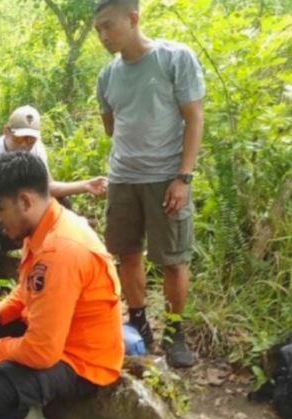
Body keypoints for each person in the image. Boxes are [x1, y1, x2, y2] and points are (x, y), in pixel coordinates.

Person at [0, 151, 124, 419]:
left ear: (25, 201)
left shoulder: (61, 251)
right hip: (54, 334)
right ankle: (11, 394)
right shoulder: (41, 226)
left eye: (0, 210)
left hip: (81, 360)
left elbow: (42, 351)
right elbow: (26, 290)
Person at [94, 0, 205, 368]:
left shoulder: (175, 59)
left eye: (108, 26)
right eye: (98, 29)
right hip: (123, 178)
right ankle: (139, 321)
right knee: (126, 252)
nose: (103, 36)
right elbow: (112, 127)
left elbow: (194, 118)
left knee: (173, 259)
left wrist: (183, 177)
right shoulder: (107, 76)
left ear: (133, 18)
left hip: (166, 177)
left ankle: (175, 331)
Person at [0, 105, 107, 294]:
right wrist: (22, 215)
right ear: (6, 132)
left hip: (14, 210)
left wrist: (85, 185)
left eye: (30, 139)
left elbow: (47, 188)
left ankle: (65, 259)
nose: (25, 145)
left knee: (61, 204)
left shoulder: (35, 150)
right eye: (19, 138)